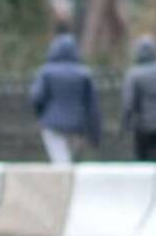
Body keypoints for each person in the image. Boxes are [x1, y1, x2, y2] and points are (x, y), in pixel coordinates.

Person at [29, 32, 102, 164]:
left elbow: (36, 97)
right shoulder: (84, 73)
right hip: (78, 125)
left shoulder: (46, 72)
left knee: (60, 161)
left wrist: (42, 116)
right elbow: (92, 106)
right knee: (70, 162)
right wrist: (95, 135)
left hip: (52, 124)